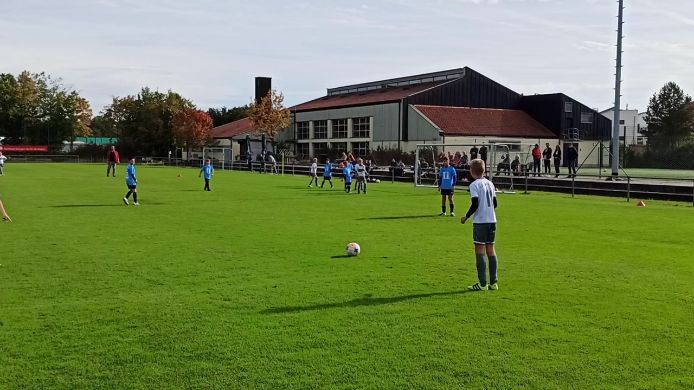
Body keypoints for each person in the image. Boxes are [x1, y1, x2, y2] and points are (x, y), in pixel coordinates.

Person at [460, 159, 499, 291]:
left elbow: (475, 203)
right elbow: (495, 204)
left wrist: (466, 216)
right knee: (491, 250)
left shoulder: (474, 185)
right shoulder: (490, 183)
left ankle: (482, 284)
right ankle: (494, 282)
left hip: (481, 222)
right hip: (492, 220)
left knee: (480, 251)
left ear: (471, 171)